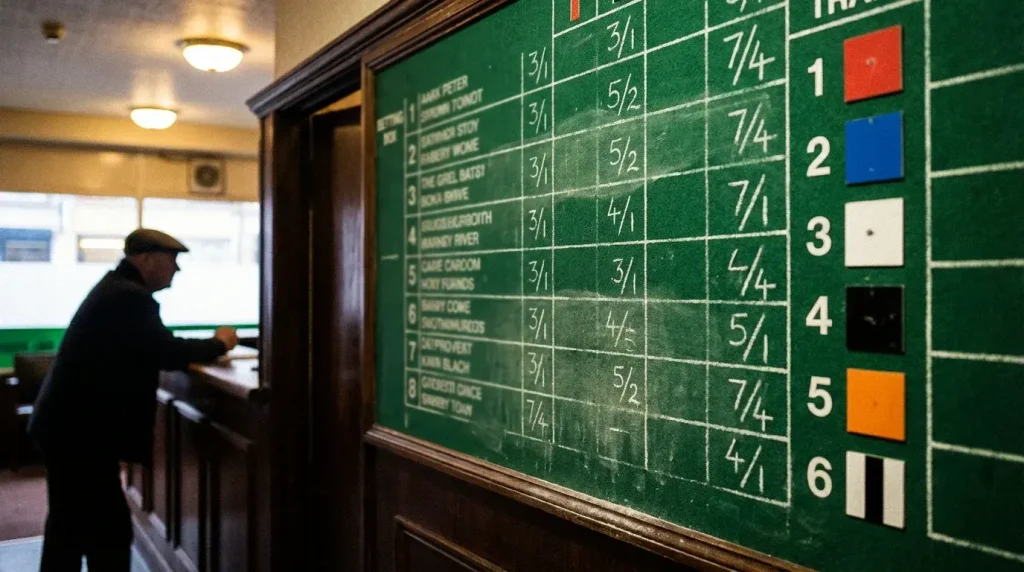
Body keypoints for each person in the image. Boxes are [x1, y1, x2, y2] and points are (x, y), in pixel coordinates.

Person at [27, 228, 239, 572]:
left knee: (69, 529)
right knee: (107, 532)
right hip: (79, 435)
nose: (177, 270)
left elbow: (154, 344)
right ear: (147, 259)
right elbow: (166, 351)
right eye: (173, 261)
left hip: (68, 430)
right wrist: (220, 343)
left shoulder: (116, 290)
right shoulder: (128, 297)